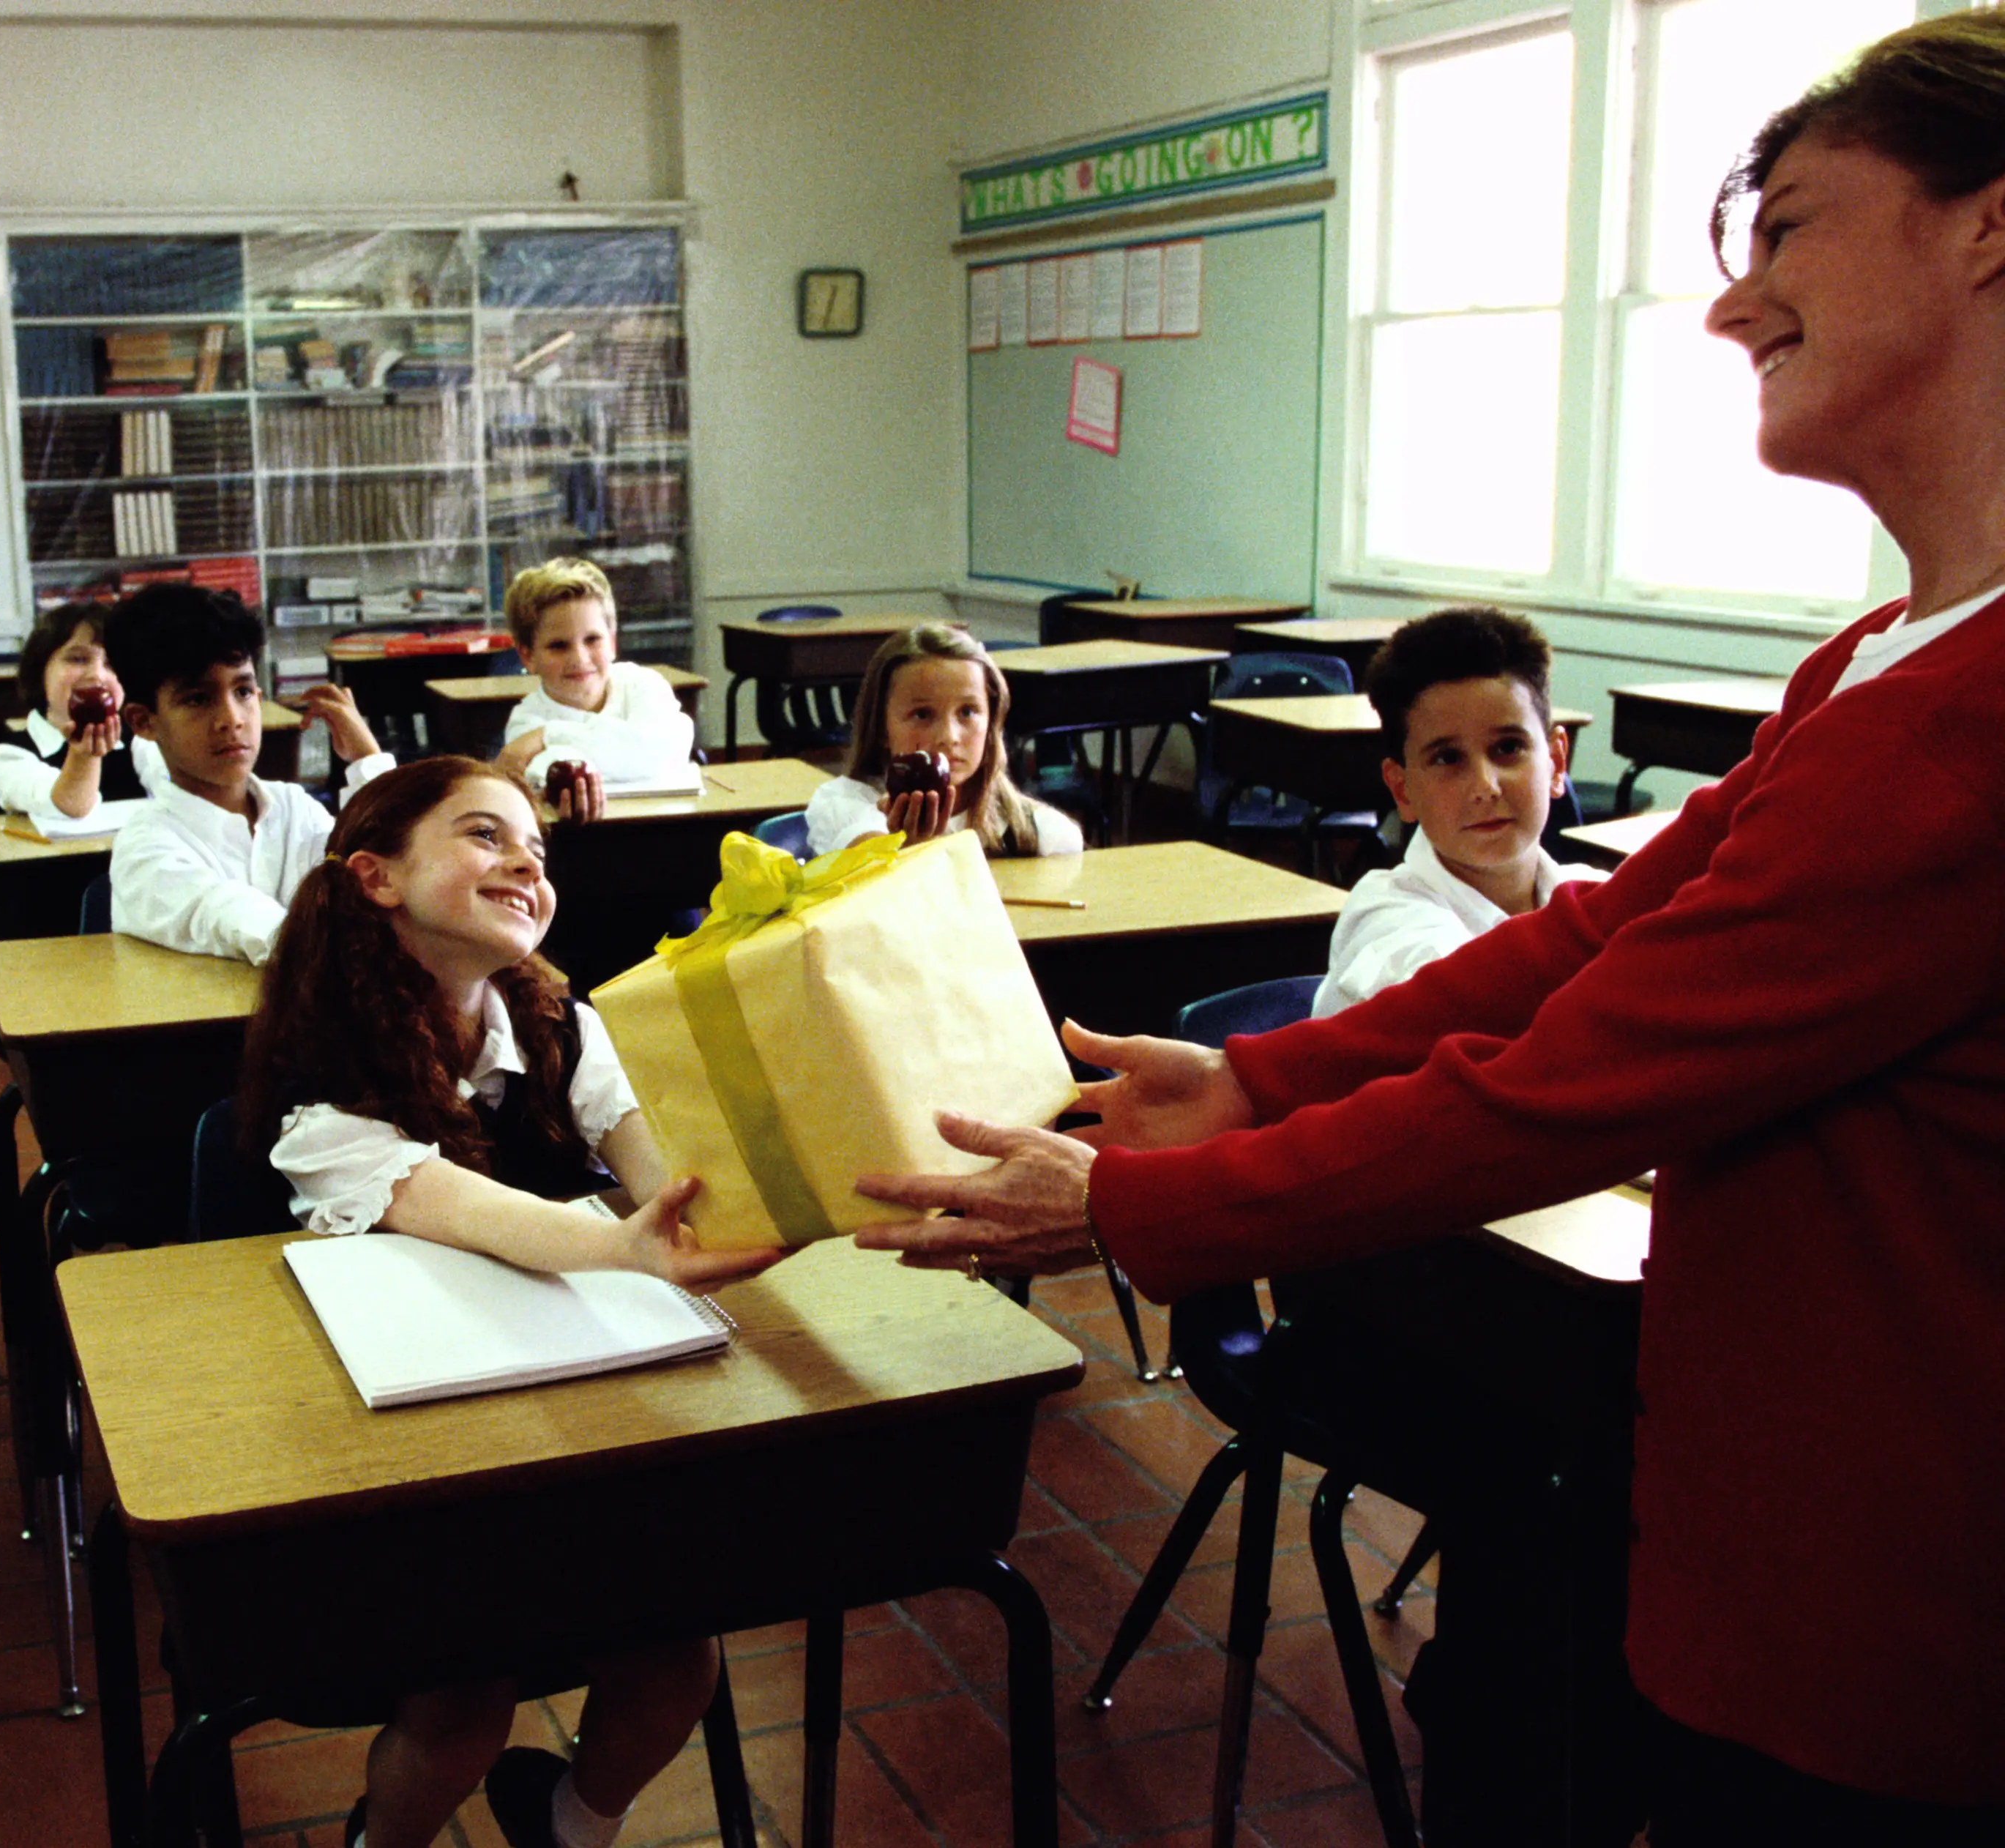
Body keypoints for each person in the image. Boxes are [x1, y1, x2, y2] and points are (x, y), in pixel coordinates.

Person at [851, 15, 2005, 1840]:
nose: (1732, 304)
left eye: (1782, 230)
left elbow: (1576, 1077)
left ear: (1985, 227)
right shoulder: (1873, 656)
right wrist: (1251, 1079)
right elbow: (1591, 940)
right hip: (1777, 1519)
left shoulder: (1973, 713)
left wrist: (1143, 1205)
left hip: (1891, 1569)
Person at [238, 755, 777, 1848]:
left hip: (562, 1417)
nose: (524, 860)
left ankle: (570, 1827)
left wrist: (704, 1205)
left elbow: (657, 1175)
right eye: (486, 836)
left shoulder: (556, 1021)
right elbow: (469, 1210)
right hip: (408, 1460)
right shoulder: (326, 1084)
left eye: (536, 846)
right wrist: (626, 1247)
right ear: (378, 877)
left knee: (683, 1662)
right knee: (462, 1705)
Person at [1315, 606, 1587, 1017]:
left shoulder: (1592, 894)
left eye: (1508, 748)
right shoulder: (1386, 919)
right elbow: (1481, 1014)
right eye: (1447, 759)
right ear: (1402, 790)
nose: (1485, 787)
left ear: (1556, 762)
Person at [105, 582, 392, 963]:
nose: (231, 720)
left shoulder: (293, 808)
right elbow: (232, 914)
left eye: (242, 691)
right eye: (197, 699)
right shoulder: (146, 847)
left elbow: (388, 877)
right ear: (144, 722)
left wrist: (367, 761)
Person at [802, 622, 1082, 858]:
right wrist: (912, 847)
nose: (949, 737)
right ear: (881, 729)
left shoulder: (1036, 830)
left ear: (992, 722)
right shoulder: (844, 803)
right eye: (922, 714)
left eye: (968, 712)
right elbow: (860, 860)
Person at [490, 559, 697, 821]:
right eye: (558, 646)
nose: (579, 658)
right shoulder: (525, 723)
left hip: (667, 826)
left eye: (592, 639)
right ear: (528, 656)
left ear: (612, 642)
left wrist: (548, 735)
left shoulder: (643, 685)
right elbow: (568, 775)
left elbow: (663, 752)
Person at [0, 598, 162, 819]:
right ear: (39, 672)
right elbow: (71, 806)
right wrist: (85, 756)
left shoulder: (141, 739)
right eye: (78, 659)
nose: (97, 675)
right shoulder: (12, 756)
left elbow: (180, 791)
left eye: (112, 664)